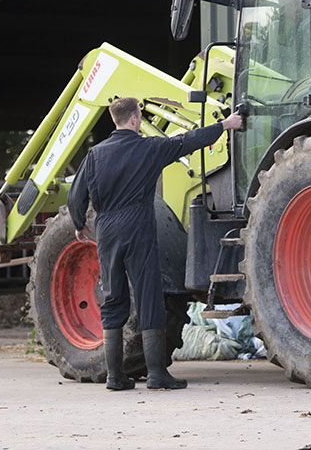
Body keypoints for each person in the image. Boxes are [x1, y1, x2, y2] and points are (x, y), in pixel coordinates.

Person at [67, 96, 243, 391]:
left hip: (107, 228)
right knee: (148, 295)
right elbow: (188, 141)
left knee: (112, 296)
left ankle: (114, 377)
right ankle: (157, 374)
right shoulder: (149, 148)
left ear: (115, 120)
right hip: (138, 226)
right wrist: (224, 125)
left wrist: (78, 224)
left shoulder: (95, 155)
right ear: (135, 120)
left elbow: (76, 196)